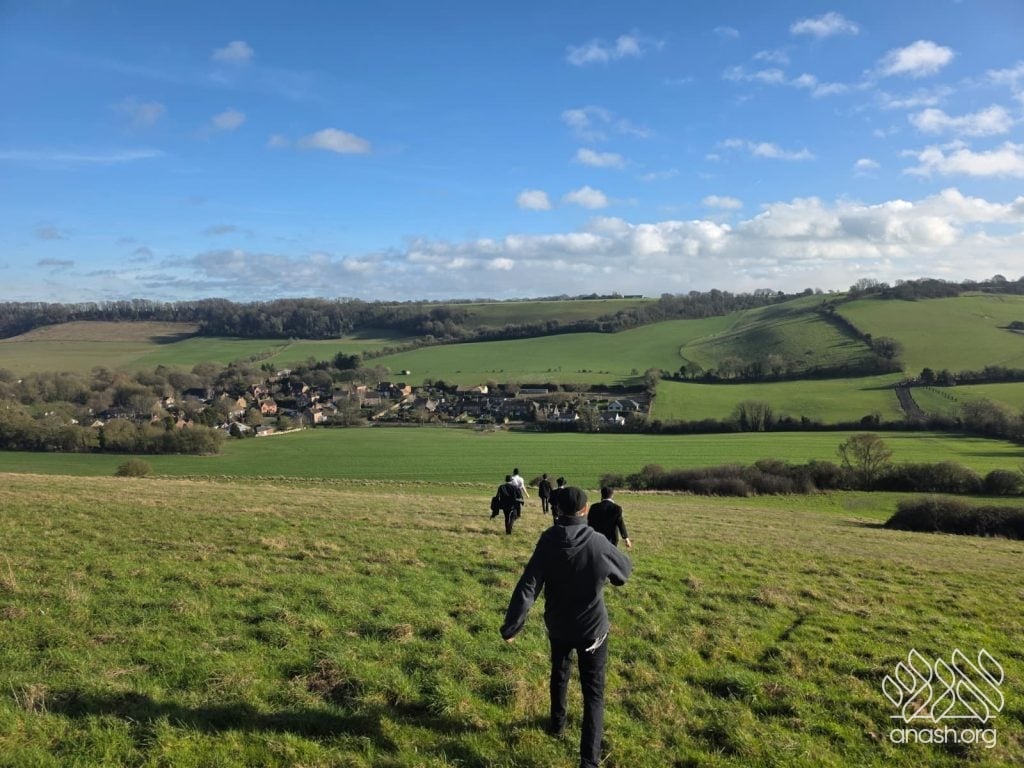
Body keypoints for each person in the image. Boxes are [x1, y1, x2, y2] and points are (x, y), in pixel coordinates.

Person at [500, 487, 632, 768]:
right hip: (593, 630)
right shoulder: (597, 542)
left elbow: (528, 586)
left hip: (559, 625)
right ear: (585, 510)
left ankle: (557, 725)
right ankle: (589, 761)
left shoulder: (548, 540)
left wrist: (512, 626)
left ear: (558, 510)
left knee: (559, 673)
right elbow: (624, 573)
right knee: (593, 694)